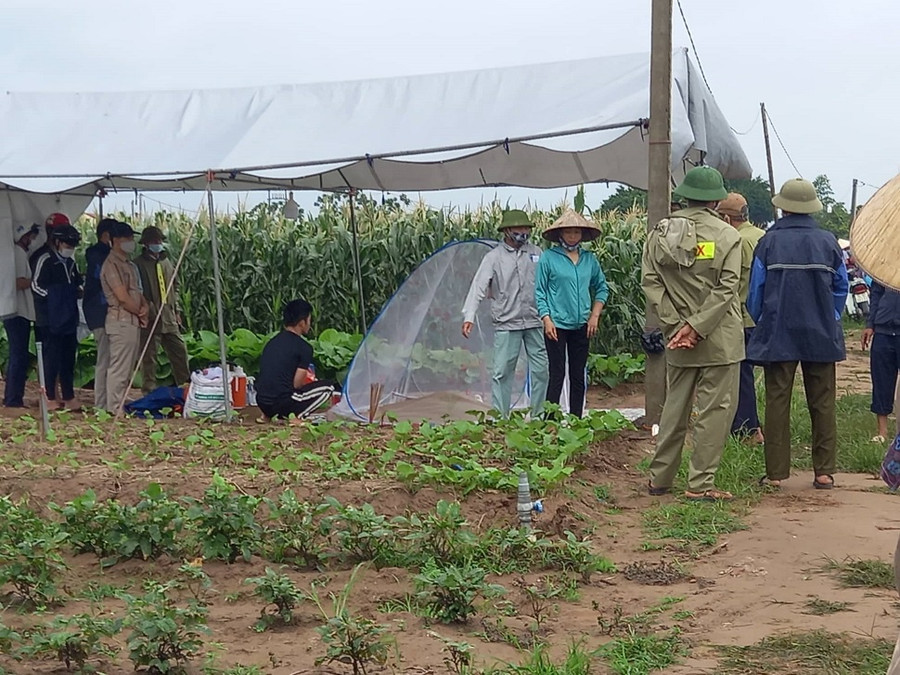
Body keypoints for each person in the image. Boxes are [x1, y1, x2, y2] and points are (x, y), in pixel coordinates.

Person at [642, 166, 744, 501]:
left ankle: (659, 479)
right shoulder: (728, 237)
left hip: (676, 339)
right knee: (714, 411)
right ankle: (700, 484)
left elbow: (651, 283)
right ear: (717, 200)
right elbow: (728, 287)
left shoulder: (658, 234)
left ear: (684, 195)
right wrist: (697, 327)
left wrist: (677, 324)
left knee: (674, 408)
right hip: (720, 339)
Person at [747, 178, 848, 490]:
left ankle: (776, 474)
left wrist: (764, 320)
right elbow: (841, 288)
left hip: (779, 332)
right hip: (821, 332)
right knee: (823, 401)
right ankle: (824, 472)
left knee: (777, 401)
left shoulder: (768, 242)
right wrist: (828, 317)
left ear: (784, 208)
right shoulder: (829, 241)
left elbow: (755, 293)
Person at [461, 209, 549, 418]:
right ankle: (500, 418)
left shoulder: (536, 253)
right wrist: (469, 316)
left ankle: (539, 416)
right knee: (502, 372)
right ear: (507, 230)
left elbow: (548, 283)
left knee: (541, 370)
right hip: (507, 322)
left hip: (535, 320)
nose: (523, 232)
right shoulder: (493, 258)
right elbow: (479, 286)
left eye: (526, 228)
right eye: (519, 228)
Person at [535, 209, 609, 418]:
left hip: (581, 325)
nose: (573, 236)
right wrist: (546, 319)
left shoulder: (589, 260)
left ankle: (576, 419)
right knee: (557, 374)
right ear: (560, 235)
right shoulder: (549, 258)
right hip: (556, 324)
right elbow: (540, 291)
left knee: (578, 375)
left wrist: (594, 315)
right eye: (569, 232)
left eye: (577, 232)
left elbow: (601, 288)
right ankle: (550, 421)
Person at [717, 192, 766, 444]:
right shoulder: (761, 236)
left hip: (743, 318)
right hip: (765, 318)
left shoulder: (735, 239)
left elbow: (731, 282)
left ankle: (748, 430)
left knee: (741, 376)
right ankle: (763, 428)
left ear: (726, 217)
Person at [255, 299, 335, 422]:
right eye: (309, 320)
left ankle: (267, 416)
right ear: (302, 322)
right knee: (328, 387)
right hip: (283, 402)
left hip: (262, 402)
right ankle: (298, 417)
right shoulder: (304, 347)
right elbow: (296, 384)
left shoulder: (271, 343)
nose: (310, 324)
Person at [31, 224, 84, 410]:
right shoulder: (45, 259)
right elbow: (36, 285)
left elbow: (78, 282)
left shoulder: (71, 263)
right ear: (57, 242)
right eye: (68, 243)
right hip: (50, 318)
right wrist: (55, 298)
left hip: (68, 317)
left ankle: (69, 395)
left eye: (73, 244)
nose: (70, 247)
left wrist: (77, 292)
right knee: (51, 357)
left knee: (68, 357)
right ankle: (49, 396)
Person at [134, 226, 190, 393]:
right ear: (146, 244)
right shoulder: (138, 264)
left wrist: (176, 309)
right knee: (149, 356)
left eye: (159, 241)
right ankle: (148, 390)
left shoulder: (166, 262)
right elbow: (137, 290)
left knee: (179, 350)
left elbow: (175, 286)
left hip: (168, 315)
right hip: (151, 317)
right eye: (153, 242)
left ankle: (184, 385)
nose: (157, 244)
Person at [100, 221, 148, 412]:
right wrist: (138, 311)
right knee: (119, 366)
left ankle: (120, 401)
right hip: (120, 320)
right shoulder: (111, 264)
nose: (131, 242)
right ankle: (114, 407)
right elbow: (122, 296)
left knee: (127, 365)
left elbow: (138, 291)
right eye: (128, 238)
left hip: (132, 320)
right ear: (117, 240)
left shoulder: (129, 264)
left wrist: (144, 308)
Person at [3, 224, 39, 408]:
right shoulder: (17, 253)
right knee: (18, 355)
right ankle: (13, 399)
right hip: (17, 311)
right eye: (31, 236)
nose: (32, 240)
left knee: (19, 354)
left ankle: (14, 397)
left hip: (17, 311)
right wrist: (36, 283)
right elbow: (18, 281)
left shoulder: (17, 252)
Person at [83, 218, 116, 410]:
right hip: (101, 313)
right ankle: (102, 403)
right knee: (105, 357)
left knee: (109, 357)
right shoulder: (100, 256)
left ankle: (105, 401)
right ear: (106, 236)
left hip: (100, 312)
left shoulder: (98, 254)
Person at [861, 281, 900, 443]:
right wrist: (870, 324)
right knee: (881, 381)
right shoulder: (883, 264)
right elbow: (876, 295)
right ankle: (882, 433)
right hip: (883, 330)